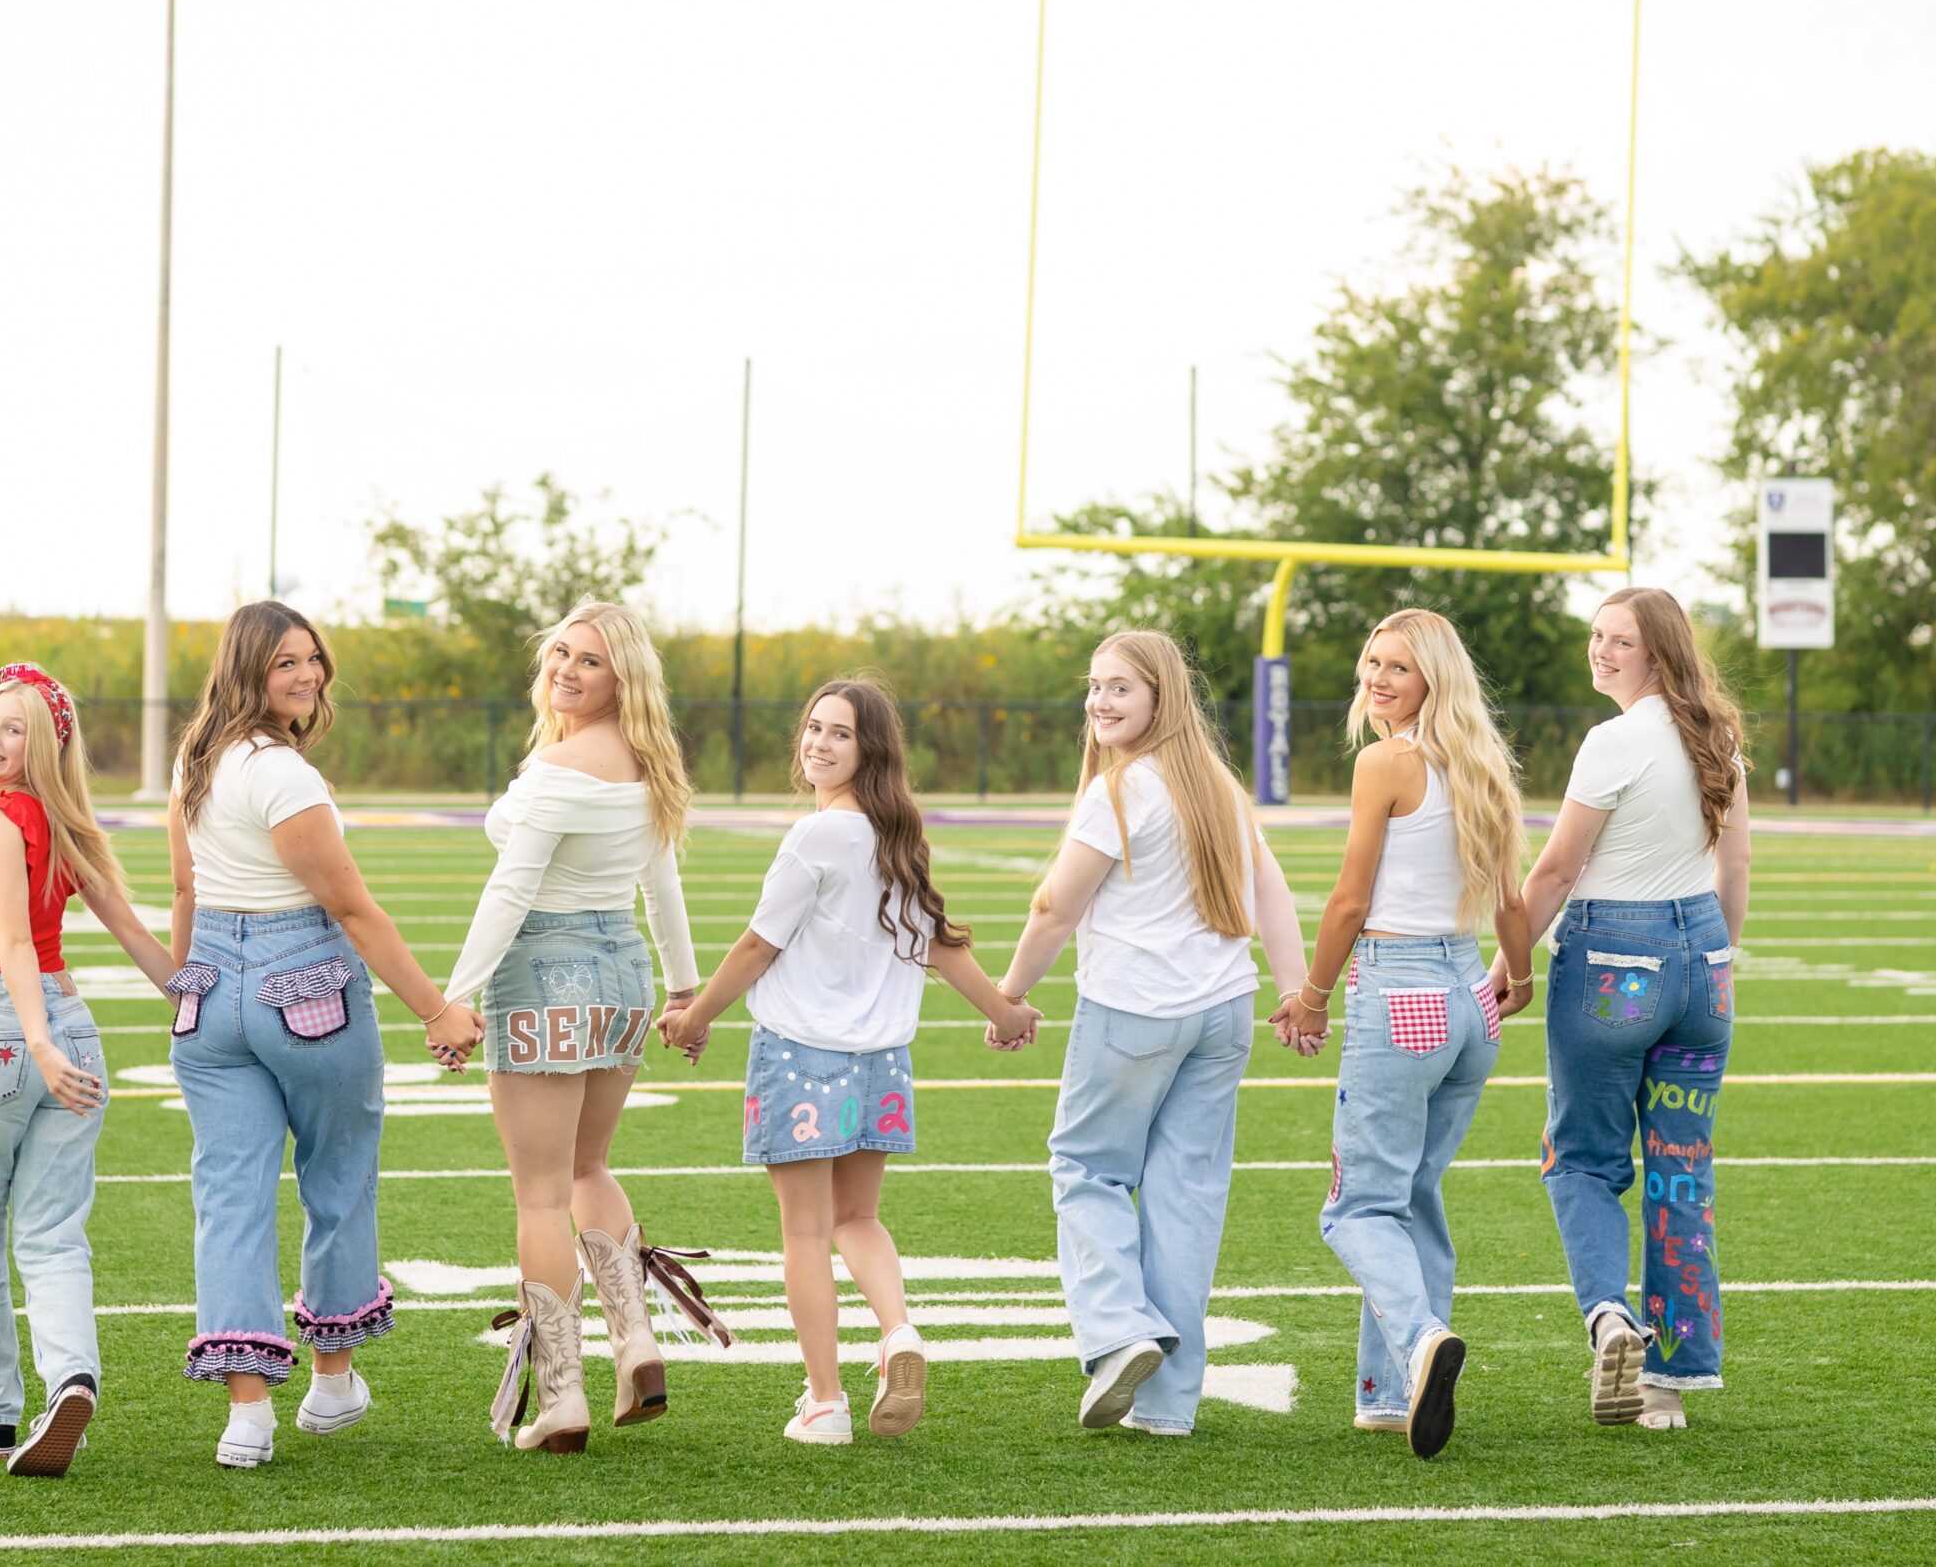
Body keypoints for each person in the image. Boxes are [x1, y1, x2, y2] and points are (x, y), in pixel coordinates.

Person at [660, 680, 1042, 1445]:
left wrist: (694, 1015)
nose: (820, 743)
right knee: (858, 1217)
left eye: (840, 733)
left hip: (801, 1054)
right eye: (813, 727)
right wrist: (1002, 1009)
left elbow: (757, 944)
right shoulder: (893, 834)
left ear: (870, 750)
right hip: (882, 1061)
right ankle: (897, 1331)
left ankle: (826, 1401)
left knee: (805, 1232)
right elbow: (936, 942)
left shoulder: (816, 836)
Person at [167, 602, 483, 1469]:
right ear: (247, 672)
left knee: (229, 1193)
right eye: (284, 664)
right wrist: (436, 1009)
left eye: (312, 659)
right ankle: (332, 1381)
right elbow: (349, 907)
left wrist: (189, 988)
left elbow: (186, 891)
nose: (306, 675)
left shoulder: (196, 758)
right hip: (300, 980)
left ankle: (247, 1415)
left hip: (211, 990)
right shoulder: (283, 774)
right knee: (337, 1174)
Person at [994, 629, 1310, 1438]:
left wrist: (1011, 992)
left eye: (1120, 688)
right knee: (1185, 1201)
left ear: (1160, 698)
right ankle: (1168, 1406)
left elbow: (1054, 905)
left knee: (1086, 1168)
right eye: (1094, 685)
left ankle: (1118, 1330)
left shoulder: (1121, 788)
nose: (1100, 700)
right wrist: (1293, 989)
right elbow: (1273, 893)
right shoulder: (1218, 784)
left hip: (1135, 1008)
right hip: (1224, 1012)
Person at [441, 599, 723, 1455]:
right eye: (561, 652)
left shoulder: (561, 767)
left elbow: (511, 890)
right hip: (622, 972)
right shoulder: (647, 763)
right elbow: (660, 888)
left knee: (540, 1193)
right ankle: (635, 1343)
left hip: (545, 969)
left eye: (589, 660)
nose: (566, 668)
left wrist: (457, 997)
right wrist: (682, 989)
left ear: (621, 677)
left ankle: (561, 1395)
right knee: (589, 1165)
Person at [1270, 611, 1532, 1459]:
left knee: (1355, 1208)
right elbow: (1512, 901)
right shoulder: (1484, 761)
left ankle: (1421, 1338)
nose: (1378, 679)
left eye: (1399, 668)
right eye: (1372, 663)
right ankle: (1387, 1393)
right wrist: (1516, 979)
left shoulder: (1386, 762)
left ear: (1433, 681)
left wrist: (1310, 995)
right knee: (1413, 1196)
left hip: (1401, 990)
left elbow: (1350, 900)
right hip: (1470, 997)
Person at [1490, 586, 1751, 1430]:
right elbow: (1734, 865)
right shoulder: (1718, 732)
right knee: (1681, 1174)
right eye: (1596, 635)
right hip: (1701, 963)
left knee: (1582, 1159)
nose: (1601, 651)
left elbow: (1559, 870)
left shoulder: (1612, 741)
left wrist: (1510, 961)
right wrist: (1722, 962)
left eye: (1620, 640)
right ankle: (1668, 1387)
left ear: (1659, 652)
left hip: (1615, 964)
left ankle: (1609, 1316)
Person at [0, 662, 177, 1476]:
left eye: (15, 729)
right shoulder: (67, 826)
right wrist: (190, 995)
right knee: (53, 1234)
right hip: (73, 1031)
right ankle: (72, 1376)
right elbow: (137, 936)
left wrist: (33, 1040)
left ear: (42, 748)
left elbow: (10, 945)